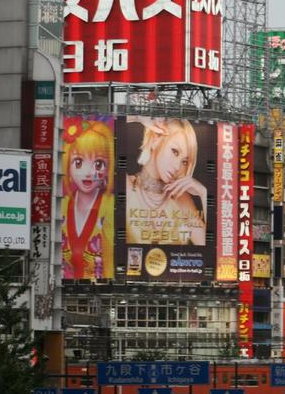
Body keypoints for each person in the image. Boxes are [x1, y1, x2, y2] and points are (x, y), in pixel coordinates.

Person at [125, 116, 207, 246]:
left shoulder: (181, 199)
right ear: (155, 139)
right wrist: (138, 118)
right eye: (175, 152)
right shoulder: (127, 186)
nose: (177, 167)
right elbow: (106, 128)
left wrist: (203, 193)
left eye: (184, 162)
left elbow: (209, 246)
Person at [61, 117, 116, 279]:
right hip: (59, 292)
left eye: (98, 164)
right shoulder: (61, 205)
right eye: (78, 162)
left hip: (102, 295)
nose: (88, 172)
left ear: (108, 169)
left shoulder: (110, 206)